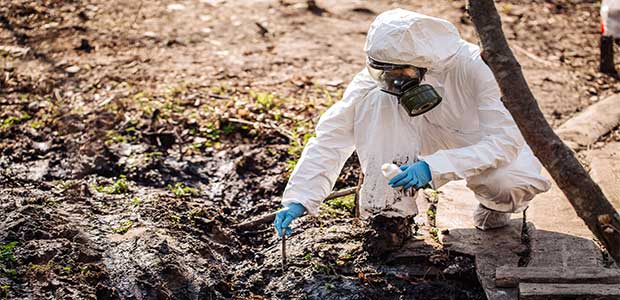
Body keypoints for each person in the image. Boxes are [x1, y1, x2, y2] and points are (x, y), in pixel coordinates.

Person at [273, 9, 552, 252]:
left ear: (424, 66)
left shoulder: (476, 68)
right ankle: (390, 216)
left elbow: (505, 141)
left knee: (508, 183)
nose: (389, 80)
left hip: (478, 143)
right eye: (382, 72)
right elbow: (331, 137)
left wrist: (434, 167)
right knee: (375, 101)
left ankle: (495, 206)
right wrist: (299, 198)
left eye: (398, 73)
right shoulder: (386, 71)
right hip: (422, 137)